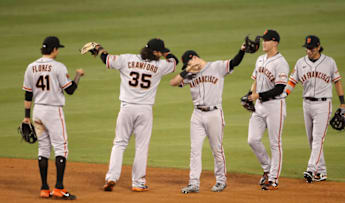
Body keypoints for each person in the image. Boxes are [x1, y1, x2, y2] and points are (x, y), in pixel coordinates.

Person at [87, 38, 178, 192]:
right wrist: (165, 52)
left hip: (126, 108)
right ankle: (138, 183)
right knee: (141, 147)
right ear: (156, 53)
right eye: (159, 51)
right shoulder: (160, 66)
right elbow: (174, 61)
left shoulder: (127, 59)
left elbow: (106, 59)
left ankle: (111, 177)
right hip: (145, 111)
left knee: (119, 143)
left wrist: (100, 48)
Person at [170, 43, 246, 193]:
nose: (188, 66)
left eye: (189, 63)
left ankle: (221, 181)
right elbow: (173, 82)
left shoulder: (216, 66)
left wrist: (242, 51)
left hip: (214, 114)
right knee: (195, 150)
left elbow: (234, 62)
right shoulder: (189, 74)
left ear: (195, 58)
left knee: (216, 149)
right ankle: (193, 183)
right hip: (197, 115)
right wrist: (187, 70)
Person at [22, 36, 84, 200]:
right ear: (54, 49)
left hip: (37, 111)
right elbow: (69, 90)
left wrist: (26, 118)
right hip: (53, 112)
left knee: (43, 149)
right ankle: (59, 188)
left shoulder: (31, 67)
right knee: (61, 148)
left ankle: (44, 188)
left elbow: (28, 94)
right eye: (58, 48)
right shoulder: (58, 67)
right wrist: (78, 76)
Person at [284, 35, 345, 183]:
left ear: (318, 47)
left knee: (318, 139)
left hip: (323, 105)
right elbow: (292, 82)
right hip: (306, 104)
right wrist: (283, 95)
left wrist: (342, 103)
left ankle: (311, 169)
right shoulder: (301, 63)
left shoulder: (329, 62)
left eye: (311, 48)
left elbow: (337, 82)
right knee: (312, 139)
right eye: (307, 48)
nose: (309, 51)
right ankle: (322, 171)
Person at [247, 29, 289, 190]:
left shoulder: (281, 62)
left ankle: (273, 179)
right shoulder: (260, 59)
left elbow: (280, 88)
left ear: (275, 43)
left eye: (266, 40)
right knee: (252, 139)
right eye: (262, 40)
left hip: (275, 106)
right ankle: (267, 168)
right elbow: (255, 80)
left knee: (275, 143)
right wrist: (250, 95)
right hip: (259, 106)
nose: (263, 42)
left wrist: (257, 95)